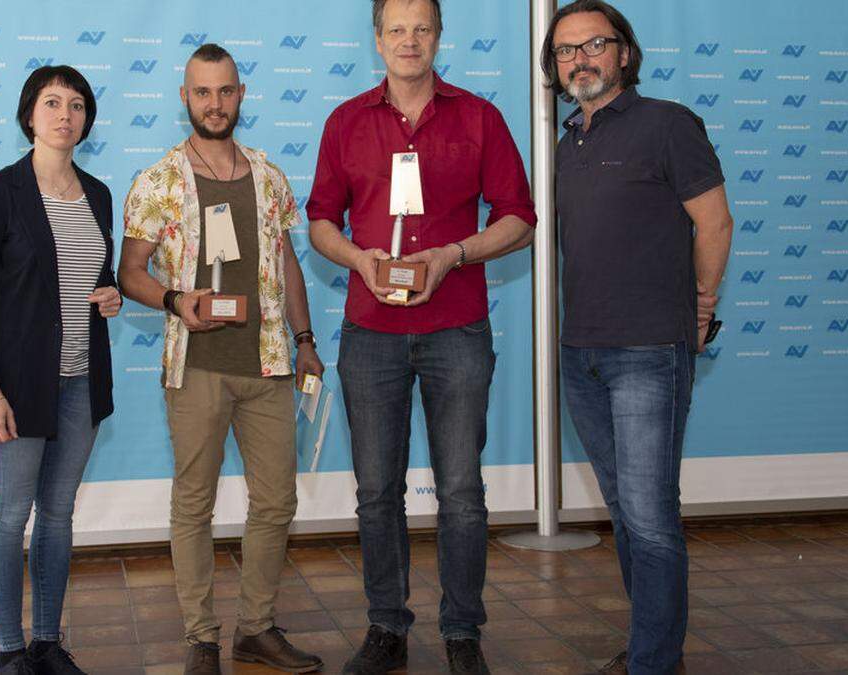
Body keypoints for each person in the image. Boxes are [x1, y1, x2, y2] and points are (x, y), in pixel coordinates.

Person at [306, 1, 536, 673]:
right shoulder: (346, 122)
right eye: (396, 29)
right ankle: (387, 626)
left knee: (461, 488)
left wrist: (453, 254)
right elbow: (321, 219)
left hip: (457, 328)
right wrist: (357, 259)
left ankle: (463, 630)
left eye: (422, 29)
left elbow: (519, 216)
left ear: (440, 37)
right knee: (377, 490)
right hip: (370, 332)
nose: (410, 41)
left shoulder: (479, 117)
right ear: (377, 40)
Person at [118, 44, 324, 675]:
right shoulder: (157, 180)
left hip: (269, 365)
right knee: (194, 503)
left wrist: (307, 340)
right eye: (202, 92)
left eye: (225, 91)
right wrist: (177, 299)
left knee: (276, 502)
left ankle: (255, 628)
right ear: (185, 98)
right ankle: (201, 636)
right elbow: (130, 272)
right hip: (197, 368)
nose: (214, 103)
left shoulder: (269, 175)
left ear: (241, 95)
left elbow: (288, 262)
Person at [541, 2, 734, 673]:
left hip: (648, 351)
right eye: (565, 50)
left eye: (594, 43)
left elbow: (715, 223)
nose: (580, 59)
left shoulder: (668, 125)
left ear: (625, 52)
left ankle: (653, 661)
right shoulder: (567, 142)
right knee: (627, 513)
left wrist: (700, 308)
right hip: (580, 355)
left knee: (650, 520)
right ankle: (656, 647)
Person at [0, 65, 121, 675]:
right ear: (29, 114)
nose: (65, 115)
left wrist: (107, 294)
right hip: (17, 388)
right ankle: (10, 652)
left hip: (82, 382)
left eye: (77, 105)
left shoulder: (99, 194)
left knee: (58, 514)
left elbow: (90, 281)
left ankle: (48, 643)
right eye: (52, 103)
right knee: (10, 514)